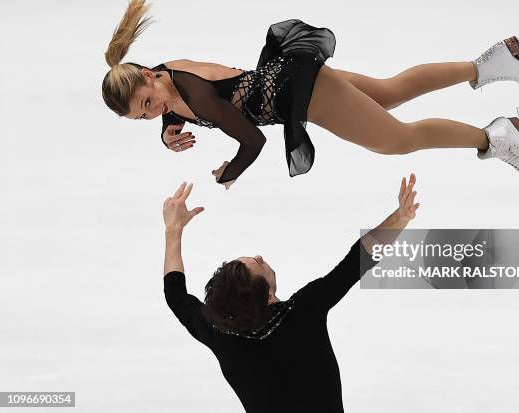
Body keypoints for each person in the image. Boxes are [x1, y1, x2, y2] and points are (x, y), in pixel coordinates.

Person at [102, 0, 519, 189]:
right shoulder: (165, 76)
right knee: (391, 90)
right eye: (142, 117)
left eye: (147, 103)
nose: (153, 111)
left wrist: (229, 173)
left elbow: (252, 140)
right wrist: (166, 127)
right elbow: (170, 106)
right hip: (294, 80)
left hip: (305, 94)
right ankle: (499, 59)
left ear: (145, 75)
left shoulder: (192, 94)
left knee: (399, 140)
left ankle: (498, 136)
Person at [162, 175, 419, 413]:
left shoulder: (218, 331)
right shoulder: (303, 312)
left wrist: (173, 230)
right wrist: (400, 219)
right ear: (267, 297)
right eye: (257, 263)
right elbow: (356, 262)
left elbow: (175, 295)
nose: (260, 257)